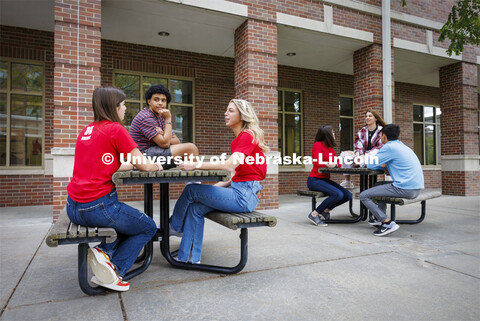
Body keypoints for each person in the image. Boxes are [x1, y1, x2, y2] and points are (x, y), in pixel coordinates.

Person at [66, 86, 161, 292]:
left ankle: (105, 253)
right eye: (123, 104)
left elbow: (105, 163)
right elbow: (144, 164)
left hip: (74, 208)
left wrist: (131, 163)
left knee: (130, 223)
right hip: (98, 208)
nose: (125, 108)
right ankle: (113, 268)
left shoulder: (87, 131)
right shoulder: (116, 129)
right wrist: (155, 165)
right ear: (114, 106)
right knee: (147, 227)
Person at [169, 99, 268, 264]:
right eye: (226, 110)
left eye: (230, 110)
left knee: (191, 189)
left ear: (242, 116)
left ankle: (175, 226)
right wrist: (208, 193)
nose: (225, 113)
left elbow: (229, 165)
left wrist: (195, 165)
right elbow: (235, 174)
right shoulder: (236, 141)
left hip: (243, 195)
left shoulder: (247, 135)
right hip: (239, 191)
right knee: (195, 207)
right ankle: (188, 258)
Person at [360, 124, 424, 236]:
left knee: (364, 195)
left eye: (381, 135)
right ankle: (378, 217)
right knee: (378, 185)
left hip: (405, 188)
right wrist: (384, 166)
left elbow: (370, 164)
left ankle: (386, 222)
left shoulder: (389, 147)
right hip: (415, 188)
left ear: (383, 136)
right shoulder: (402, 146)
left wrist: (383, 166)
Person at [129, 84, 198, 169]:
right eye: (156, 100)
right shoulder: (146, 117)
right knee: (191, 148)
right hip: (142, 156)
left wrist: (163, 136)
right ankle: (192, 182)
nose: (160, 103)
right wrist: (168, 119)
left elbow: (176, 142)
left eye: (163, 100)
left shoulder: (161, 117)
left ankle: (191, 180)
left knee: (189, 149)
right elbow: (165, 144)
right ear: (149, 101)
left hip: (154, 152)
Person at [307, 126, 352, 226]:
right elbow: (316, 162)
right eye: (333, 133)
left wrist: (335, 164)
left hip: (325, 179)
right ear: (328, 135)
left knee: (348, 195)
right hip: (314, 180)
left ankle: (325, 210)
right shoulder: (317, 145)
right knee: (338, 194)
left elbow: (338, 163)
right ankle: (314, 214)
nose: (334, 135)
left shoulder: (330, 147)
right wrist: (327, 163)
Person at [340, 110, 386, 189]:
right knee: (344, 155)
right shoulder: (362, 130)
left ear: (376, 118)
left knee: (366, 158)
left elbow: (379, 147)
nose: (367, 118)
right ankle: (347, 181)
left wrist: (364, 155)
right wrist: (358, 154)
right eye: (366, 116)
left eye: (370, 116)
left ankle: (359, 162)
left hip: (374, 156)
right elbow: (358, 143)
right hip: (361, 155)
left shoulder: (381, 131)